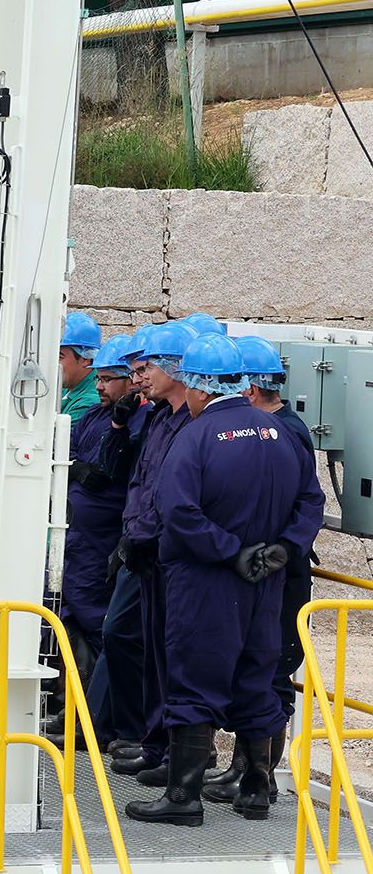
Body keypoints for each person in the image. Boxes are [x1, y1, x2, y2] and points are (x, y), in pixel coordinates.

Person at [126, 333, 324, 826]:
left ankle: (184, 795)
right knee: (257, 676)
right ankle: (257, 788)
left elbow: (178, 511)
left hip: (207, 581)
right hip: (267, 582)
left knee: (194, 678)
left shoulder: (194, 437)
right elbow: (311, 501)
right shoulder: (279, 432)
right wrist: (282, 549)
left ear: (196, 386)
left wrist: (232, 551)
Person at [203, 336, 317, 809]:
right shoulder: (274, 428)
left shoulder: (280, 433)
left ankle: (258, 774)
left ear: (248, 388)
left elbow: (302, 502)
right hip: (270, 568)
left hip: (277, 575)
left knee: (269, 673)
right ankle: (247, 770)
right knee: (257, 669)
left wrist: (278, 552)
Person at [109, 323, 195, 785]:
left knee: (170, 654)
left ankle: (171, 753)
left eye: (150, 366)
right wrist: (131, 535)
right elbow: (143, 483)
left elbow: (173, 494)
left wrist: (145, 537)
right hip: (145, 547)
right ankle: (155, 742)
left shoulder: (192, 424)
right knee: (150, 652)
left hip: (166, 553)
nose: (141, 376)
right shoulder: (162, 416)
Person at [55, 333, 144, 728]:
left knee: (96, 622)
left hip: (101, 539)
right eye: (101, 378)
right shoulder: (98, 415)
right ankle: (77, 706)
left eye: (109, 378)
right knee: (73, 615)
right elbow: (67, 452)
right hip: (81, 537)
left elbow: (111, 471)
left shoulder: (135, 420)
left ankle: (94, 718)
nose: (100, 385)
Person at [56, 311, 103, 422]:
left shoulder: (88, 402)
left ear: (85, 359)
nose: (54, 364)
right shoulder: (67, 386)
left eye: (59, 357)